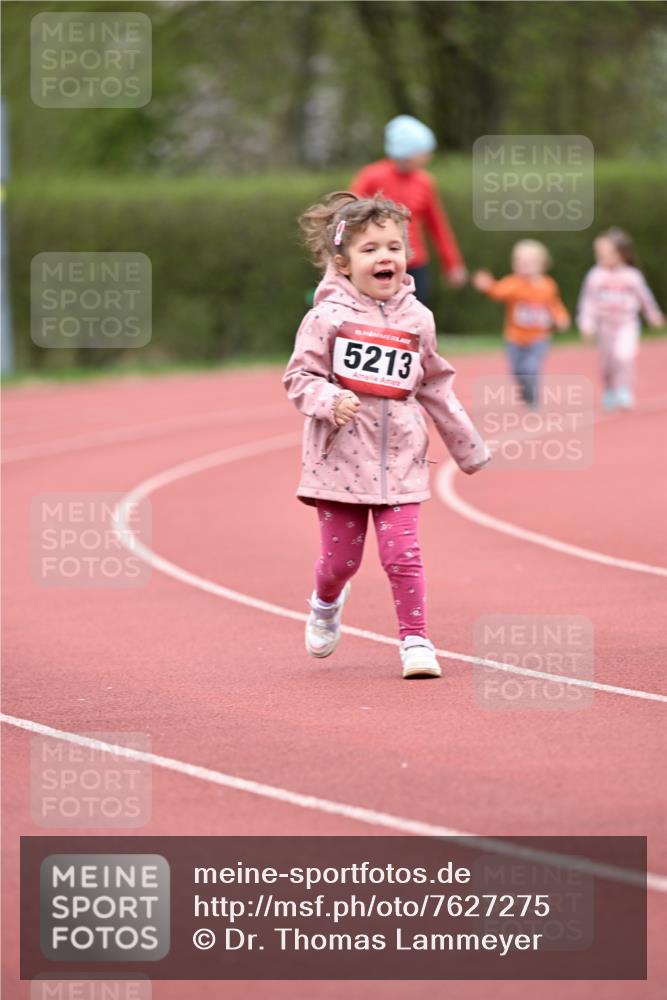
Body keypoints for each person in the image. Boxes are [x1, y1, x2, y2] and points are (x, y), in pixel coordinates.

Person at [283, 191, 489, 680]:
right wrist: (330, 400)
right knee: (341, 563)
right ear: (343, 263)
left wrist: (467, 446)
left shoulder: (419, 319)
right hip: (339, 462)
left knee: (403, 555)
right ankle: (325, 602)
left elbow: (434, 383)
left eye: (394, 247)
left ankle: (416, 640)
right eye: (371, 249)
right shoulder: (325, 318)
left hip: (401, 456)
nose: (386, 257)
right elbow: (299, 378)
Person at [349, 115, 466, 306]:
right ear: (409, 151)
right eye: (425, 151)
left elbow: (437, 226)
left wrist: (452, 264)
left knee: (415, 314)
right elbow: (349, 218)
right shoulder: (370, 177)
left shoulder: (425, 182)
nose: (429, 157)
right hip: (378, 262)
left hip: (415, 264)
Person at [472, 240, 570, 408]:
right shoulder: (513, 283)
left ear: (541, 264)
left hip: (539, 338)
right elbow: (497, 291)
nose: (523, 265)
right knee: (517, 371)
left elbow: (554, 304)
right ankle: (526, 392)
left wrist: (561, 317)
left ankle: (533, 397)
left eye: (528, 262)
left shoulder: (547, 285)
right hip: (514, 338)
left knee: (530, 367)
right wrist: (487, 286)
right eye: (519, 261)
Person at [576, 227, 664, 410]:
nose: (602, 257)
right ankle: (609, 389)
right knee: (607, 363)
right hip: (604, 326)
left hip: (626, 323)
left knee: (623, 356)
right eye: (599, 254)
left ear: (621, 253)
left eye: (607, 253)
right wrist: (586, 324)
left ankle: (624, 389)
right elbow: (587, 301)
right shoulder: (595, 275)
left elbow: (644, 297)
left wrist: (653, 315)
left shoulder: (632, 275)